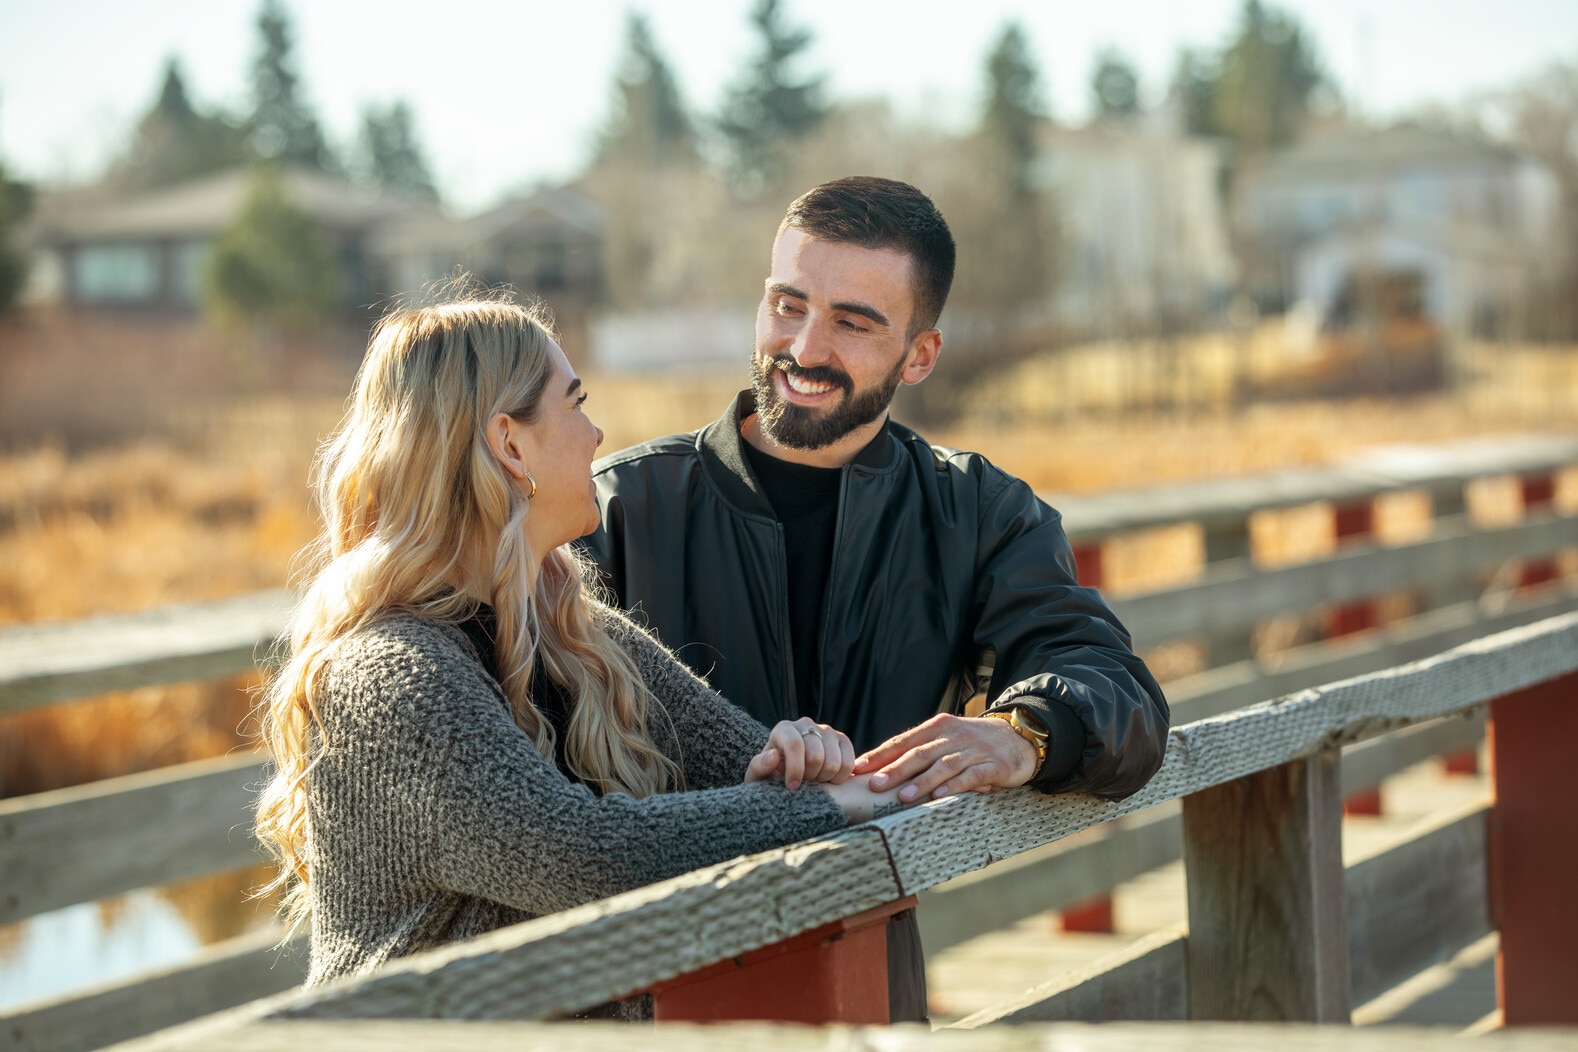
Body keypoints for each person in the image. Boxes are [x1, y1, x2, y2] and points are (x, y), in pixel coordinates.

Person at [582, 176, 1171, 1021]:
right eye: (788, 304)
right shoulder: (619, 510)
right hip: (638, 997)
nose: (804, 347)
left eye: (853, 323)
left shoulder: (978, 513)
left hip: (868, 987)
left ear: (920, 354)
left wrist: (1026, 734)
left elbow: (1118, 692)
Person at [251, 296, 907, 1016]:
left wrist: (800, 758)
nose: (596, 434)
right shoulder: (389, 676)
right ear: (510, 444)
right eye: (575, 404)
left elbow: (752, 769)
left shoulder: (581, 637)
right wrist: (820, 807)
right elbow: (583, 856)